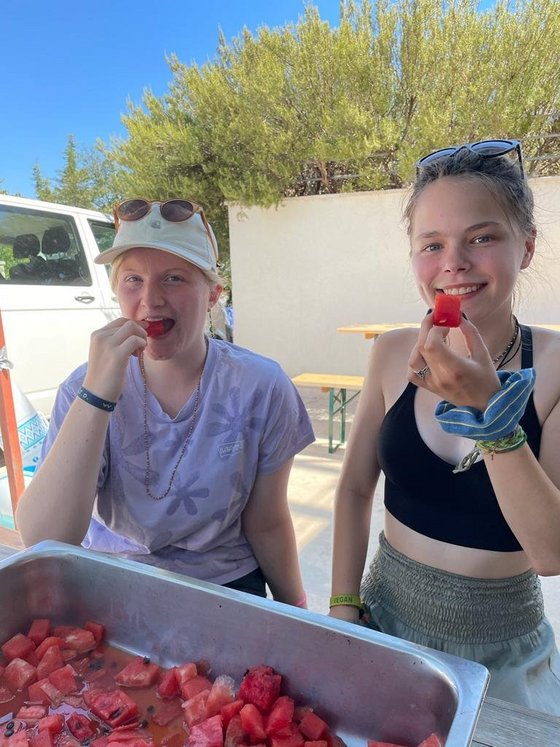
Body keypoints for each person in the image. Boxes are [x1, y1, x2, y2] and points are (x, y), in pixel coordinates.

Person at [330, 141, 560, 715]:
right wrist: (343, 606)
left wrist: (490, 412)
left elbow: (550, 551)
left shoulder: (555, 367)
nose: (453, 263)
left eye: (482, 237)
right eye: (432, 245)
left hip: (503, 657)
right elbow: (355, 488)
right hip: (382, 623)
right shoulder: (391, 353)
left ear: (527, 246)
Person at [16, 198, 314, 606]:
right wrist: (96, 396)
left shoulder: (261, 386)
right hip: (111, 580)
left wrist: (298, 612)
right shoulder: (81, 388)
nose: (150, 300)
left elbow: (266, 522)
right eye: (133, 279)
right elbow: (44, 538)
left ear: (213, 295)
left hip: (225, 587)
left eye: (173, 278)